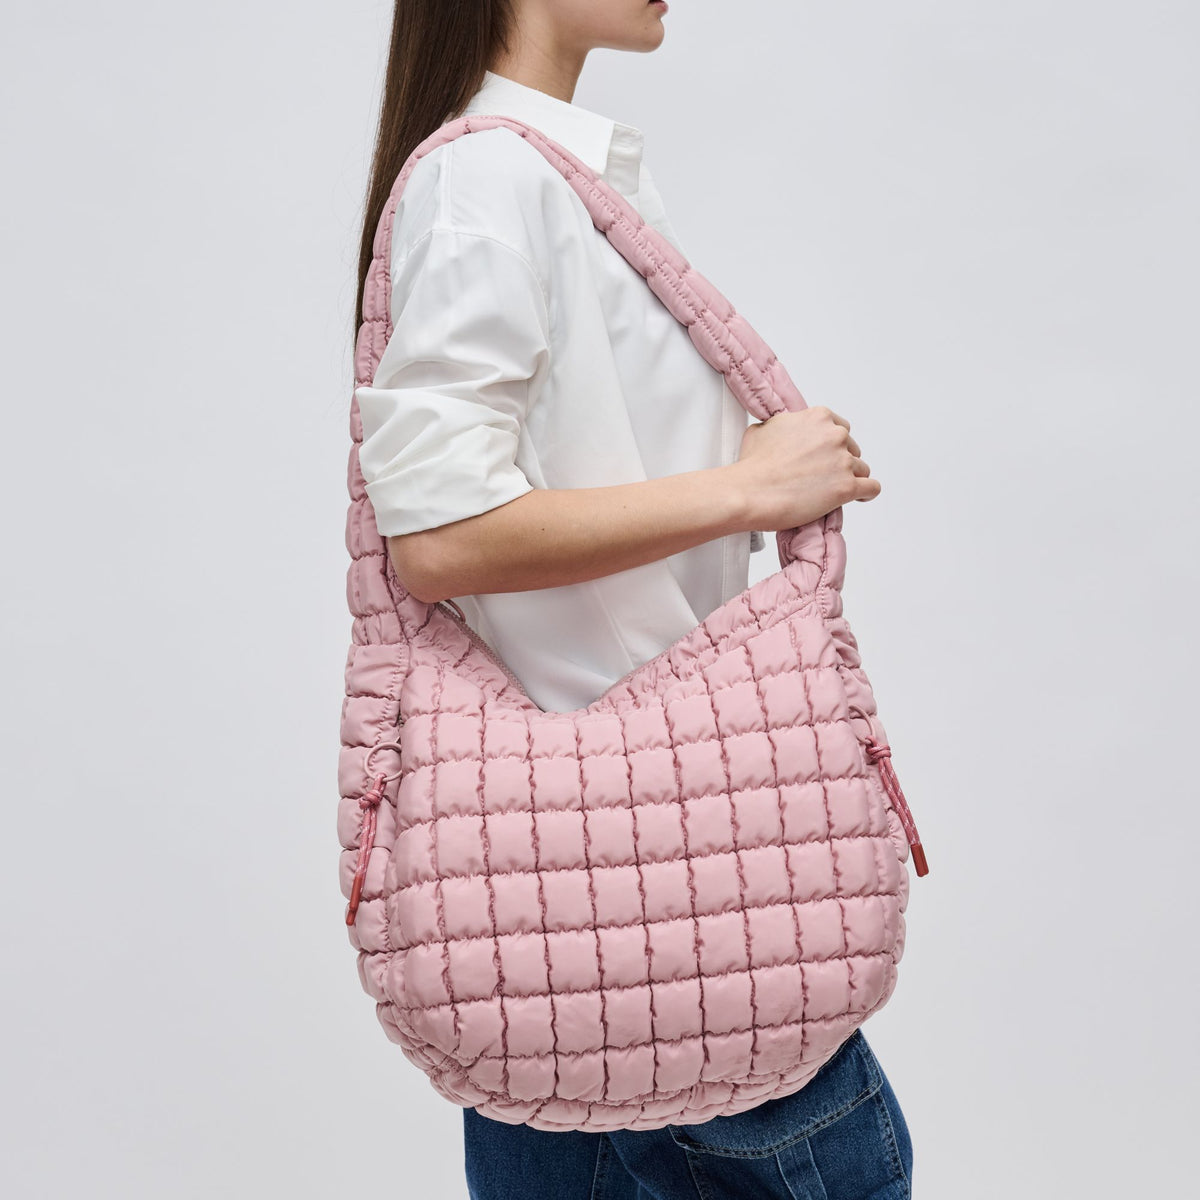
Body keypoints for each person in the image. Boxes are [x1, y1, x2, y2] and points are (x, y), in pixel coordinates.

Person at [351, 3, 910, 1196]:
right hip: (696, 879)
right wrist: (747, 489)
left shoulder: (545, 176)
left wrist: (730, 479)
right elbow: (439, 538)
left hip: (556, 929)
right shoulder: (489, 184)